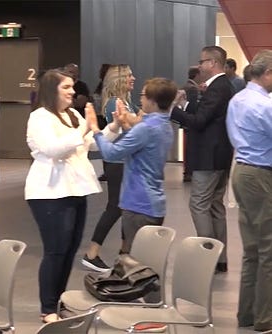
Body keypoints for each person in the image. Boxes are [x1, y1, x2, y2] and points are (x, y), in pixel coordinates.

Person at [25, 69, 119, 323]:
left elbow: (93, 143)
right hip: (49, 192)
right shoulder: (40, 118)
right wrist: (83, 129)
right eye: (66, 87)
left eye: (72, 87)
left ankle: (58, 301)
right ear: (51, 90)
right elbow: (51, 149)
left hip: (75, 189)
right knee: (55, 250)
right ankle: (48, 308)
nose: (72, 92)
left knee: (69, 250)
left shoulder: (72, 115)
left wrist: (114, 126)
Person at [86, 77, 176, 255]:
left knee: (138, 264)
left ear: (152, 101)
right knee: (145, 259)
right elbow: (142, 146)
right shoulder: (164, 126)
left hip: (139, 203)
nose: (140, 100)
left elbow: (111, 153)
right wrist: (126, 126)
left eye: (143, 96)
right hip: (154, 202)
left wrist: (96, 130)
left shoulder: (146, 128)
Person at [171, 46, 234, 273]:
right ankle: (220, 258)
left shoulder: (218, 87)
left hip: (209, 157)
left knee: (198, 204)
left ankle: (207, 257)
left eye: (202, 61)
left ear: (213, 63)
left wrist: (172, 110)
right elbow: (205, 113)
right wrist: (185, 104)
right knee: (215, 206)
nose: (199, 66)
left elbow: (199, 122)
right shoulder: (221, 86)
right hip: (220, 156)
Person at [226, 49, 272, 332]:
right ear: (267, 73)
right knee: (269, 249)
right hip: (260, 175)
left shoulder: (238, 99)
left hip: (242, 171)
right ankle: (265, 317)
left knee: (252, 249)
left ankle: (247, 314)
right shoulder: (264, 105)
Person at [81, 64, 139, 272]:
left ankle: (124, 252)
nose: (133, 78)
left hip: (124, 162)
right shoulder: (116, 103)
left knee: (125, 208)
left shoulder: (126, 102)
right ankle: (92, 253)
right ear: (119, 80)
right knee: (115, 207)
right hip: (118, 163)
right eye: (129, 75)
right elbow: (130, 128)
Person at [181, 66, 202, 183]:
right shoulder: (193, 89)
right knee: (191, 149)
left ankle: (187, 171)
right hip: (191, 122)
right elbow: (192, 107)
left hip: (185, 122)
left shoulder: (186, 86)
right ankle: (189, 172)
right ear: (197, 75)